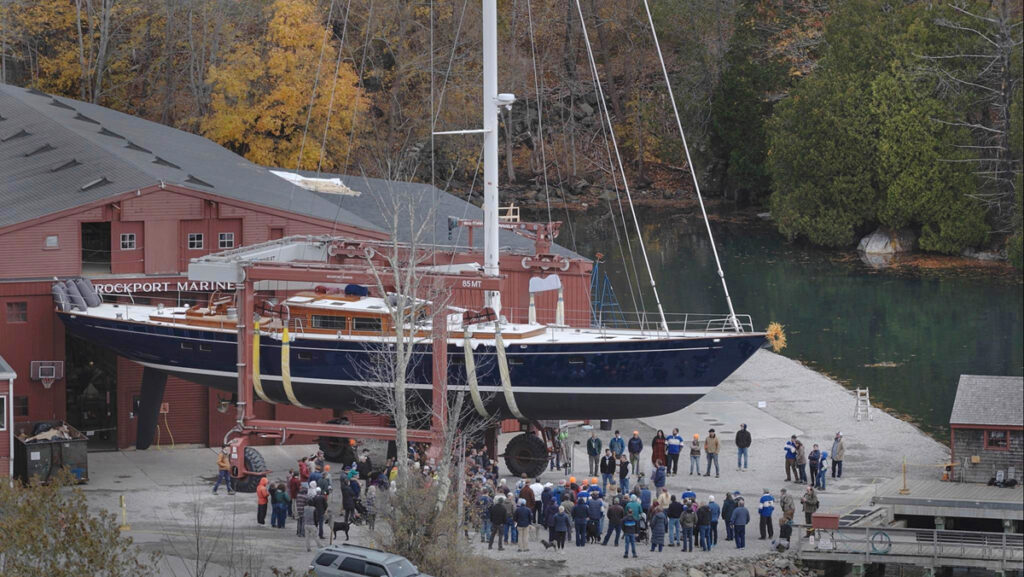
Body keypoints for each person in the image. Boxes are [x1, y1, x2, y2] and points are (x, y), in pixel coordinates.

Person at [303, 488, 322, 552]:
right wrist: (316, 524)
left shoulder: (305, 508)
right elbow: (315, 518)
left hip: (306, 524)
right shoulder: (314, 509)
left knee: (307, 537)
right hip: (312, 524)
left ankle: (308, 548)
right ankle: (319, 546)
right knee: (315, 536)